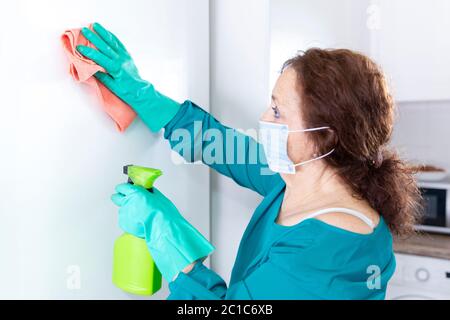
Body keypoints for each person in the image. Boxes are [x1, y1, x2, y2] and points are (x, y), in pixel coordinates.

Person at [77, 23, 422, 300]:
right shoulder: (298, 176)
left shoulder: (327, 250)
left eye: (277, 110)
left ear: (325, 137)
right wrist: (139, 91)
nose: (263, 118)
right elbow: (219, 145)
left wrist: (168, 238)